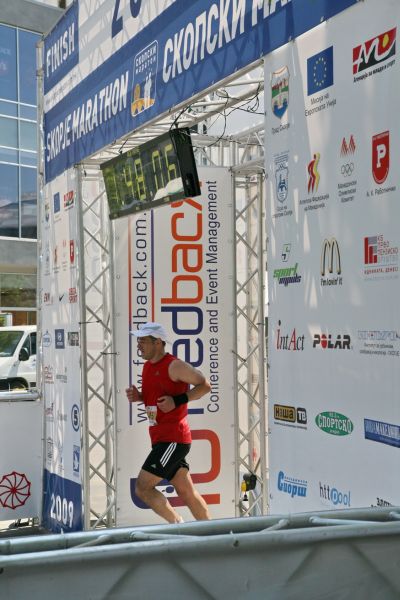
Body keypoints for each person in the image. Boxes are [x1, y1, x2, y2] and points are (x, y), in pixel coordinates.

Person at [126, 322, 211, 524]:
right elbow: (156, 397)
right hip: (161, 438)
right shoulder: (147, 366)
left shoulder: (174, 365)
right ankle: (214, 532)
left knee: (142, 488)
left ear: (158, 342)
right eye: (138, 340)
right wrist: (140, 397)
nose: (138, 345)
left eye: (143, 341)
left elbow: (205, 385)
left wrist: (177, 400)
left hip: (173, 440)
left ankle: (178, 526)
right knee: (187, 492)